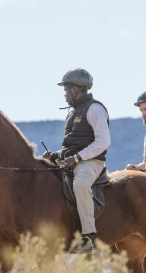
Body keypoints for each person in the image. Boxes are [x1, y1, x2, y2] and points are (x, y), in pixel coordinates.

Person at [43, 68, 111, 254]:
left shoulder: (94, 108)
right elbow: (72, 144)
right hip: (71, 160)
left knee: (80, 185)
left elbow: (103, 141)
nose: (64, 94)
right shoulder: (72, 113)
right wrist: (57, 154)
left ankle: (89, 237)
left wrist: (78, 157)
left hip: (90, 162)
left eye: (66, 90)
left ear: (75, 89)